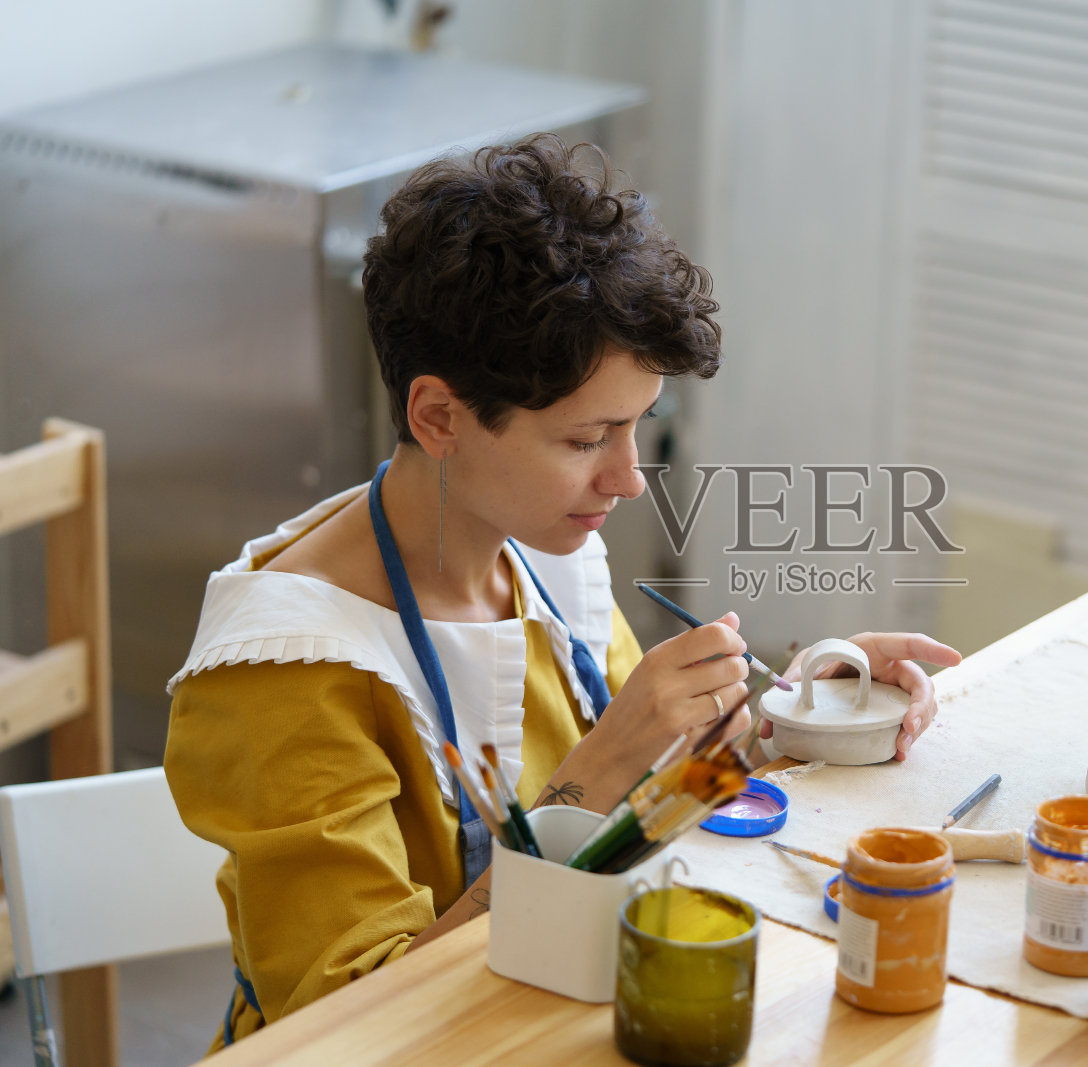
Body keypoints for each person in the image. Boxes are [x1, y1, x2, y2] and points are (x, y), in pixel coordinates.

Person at [164, 133, 960, 1050]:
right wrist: (595, 773)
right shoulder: (284, 670)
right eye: (588, 440)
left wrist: (806, 708)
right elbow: (351, 1022)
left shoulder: (543, 548)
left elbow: (654, 809)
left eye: (637, 428)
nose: (627, 479)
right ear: (439, 416)